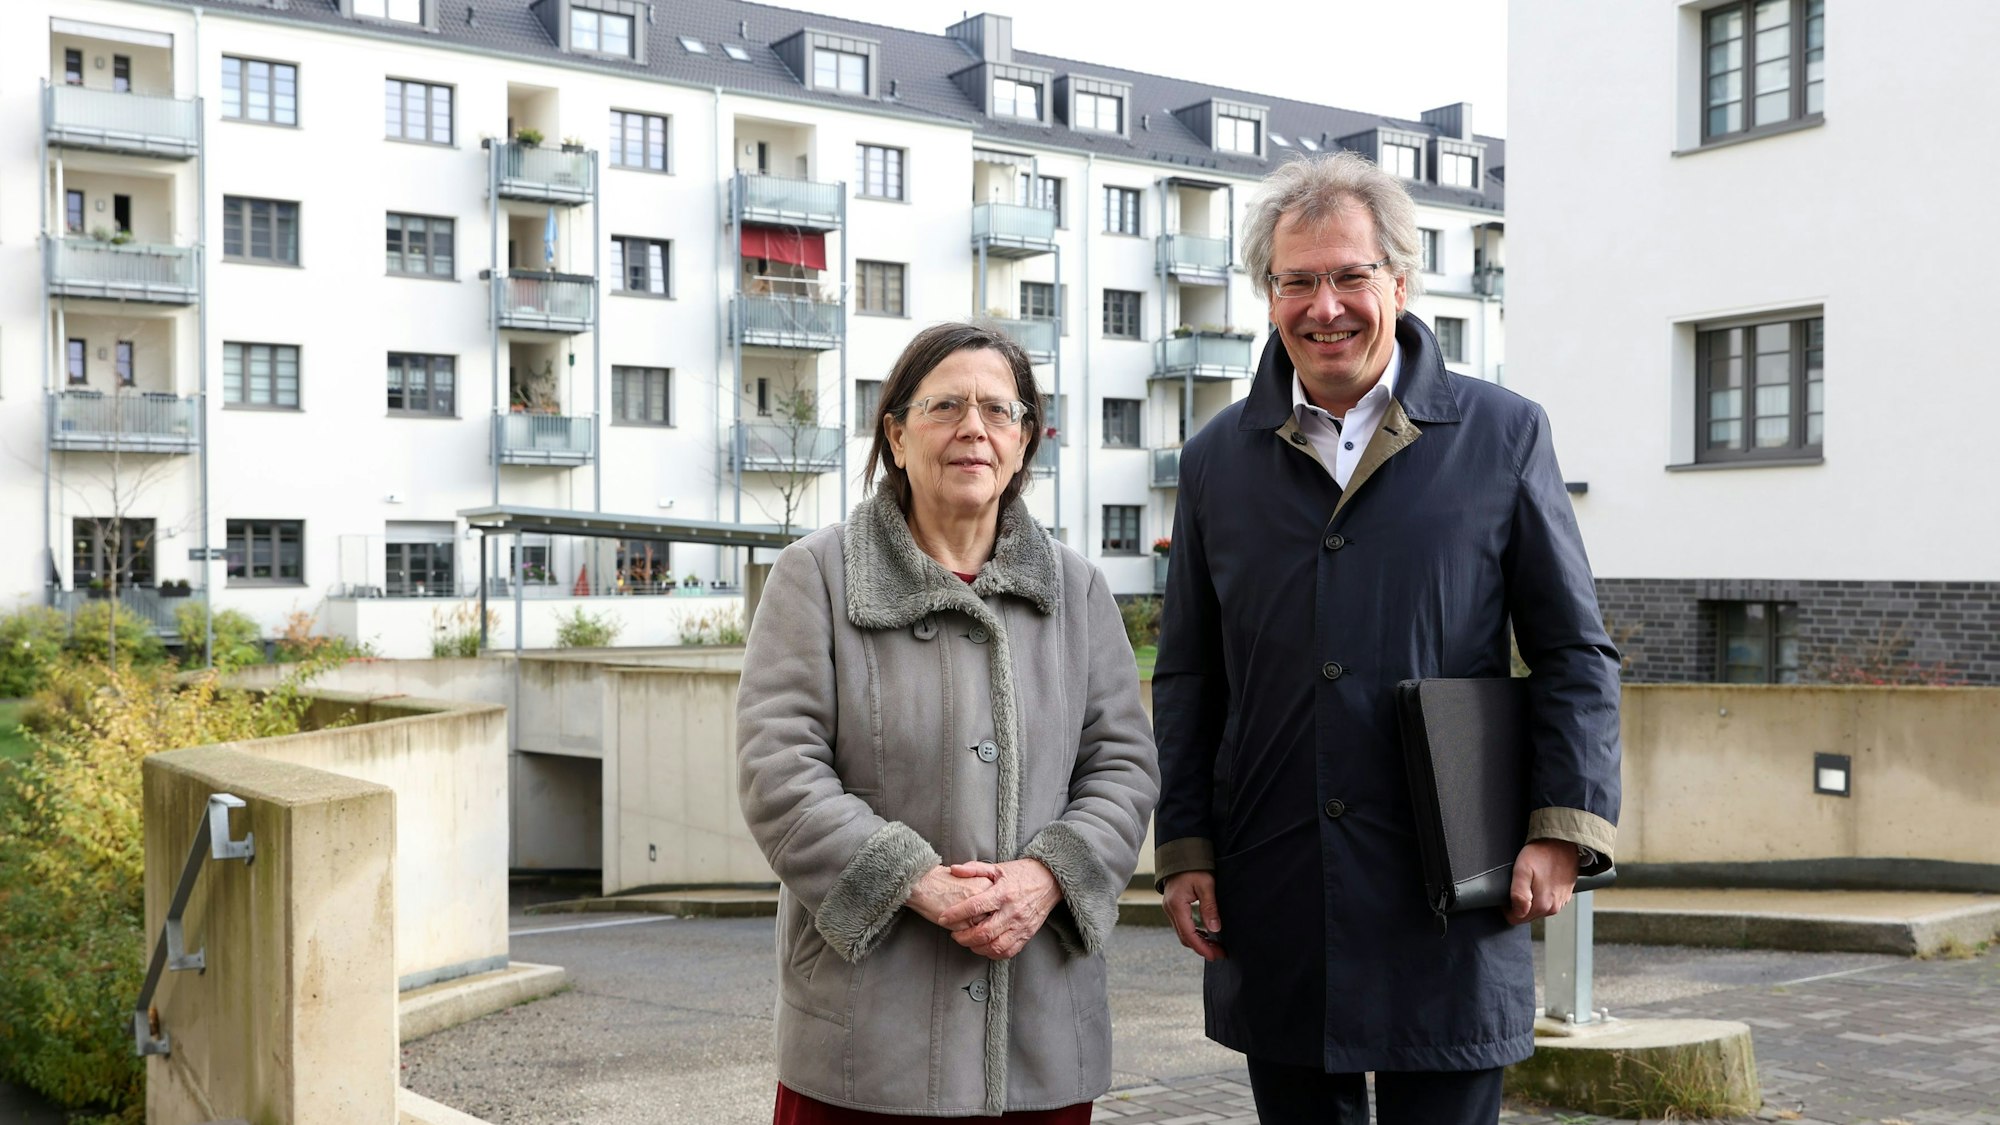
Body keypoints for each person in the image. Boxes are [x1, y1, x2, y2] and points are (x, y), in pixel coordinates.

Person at [1152, 152, 1622, 1124]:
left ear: (1399, 283)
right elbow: (1189, 672)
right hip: (1276, 878)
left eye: (1349, 275)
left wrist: (1561, 827)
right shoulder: (1213, 462)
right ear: (1268, 295)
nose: (1324, 306)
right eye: (1296, 281)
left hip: (1449, 881)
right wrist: (1185, 843)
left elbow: (1574, 652)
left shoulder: (1502, 435)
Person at [738, 321, 1160, 1122]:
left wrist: (1045, 878)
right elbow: (778, 770)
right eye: (945, 406)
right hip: (865, 1038)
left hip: (1039, 1032)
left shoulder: (1079, 590)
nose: (974, 427)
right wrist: (916, 882)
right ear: (896, 435)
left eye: (999, 410)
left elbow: (1122, 767)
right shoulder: (815, 577)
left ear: (1024, 440)